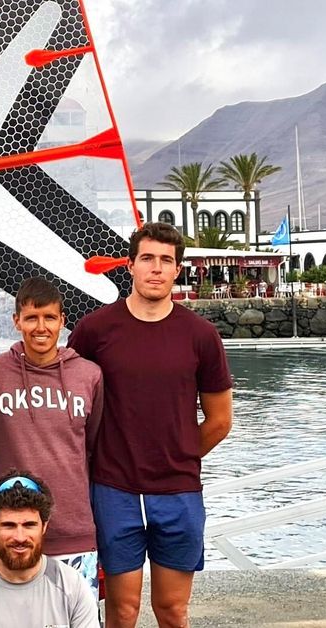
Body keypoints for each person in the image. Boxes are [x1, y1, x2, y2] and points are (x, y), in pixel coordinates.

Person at [68, 223, 234, 628]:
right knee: (121, 612)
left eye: (166, 261)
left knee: (173, 610)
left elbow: (220, 420)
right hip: (113, 490)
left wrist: (176, 455)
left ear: (178, 269)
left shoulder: (200, 335)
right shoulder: (94, 330)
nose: (156, 269)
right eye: (147, 259)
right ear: (130, 265)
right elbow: (68, 402)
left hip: (178, 491)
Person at [0, 276, 103, 592]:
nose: (40, 327)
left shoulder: (89, 374)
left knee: (78, 619)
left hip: (74, 526)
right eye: (31, 318)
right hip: (12, 530)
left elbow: (92, 443)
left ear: (62, 321)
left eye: (49, 317)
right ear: (16, 320)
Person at [0, 472, 99, 628]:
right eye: (9, 525)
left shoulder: (73, 585)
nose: (20, 537)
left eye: (29, 525)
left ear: (44, 526)